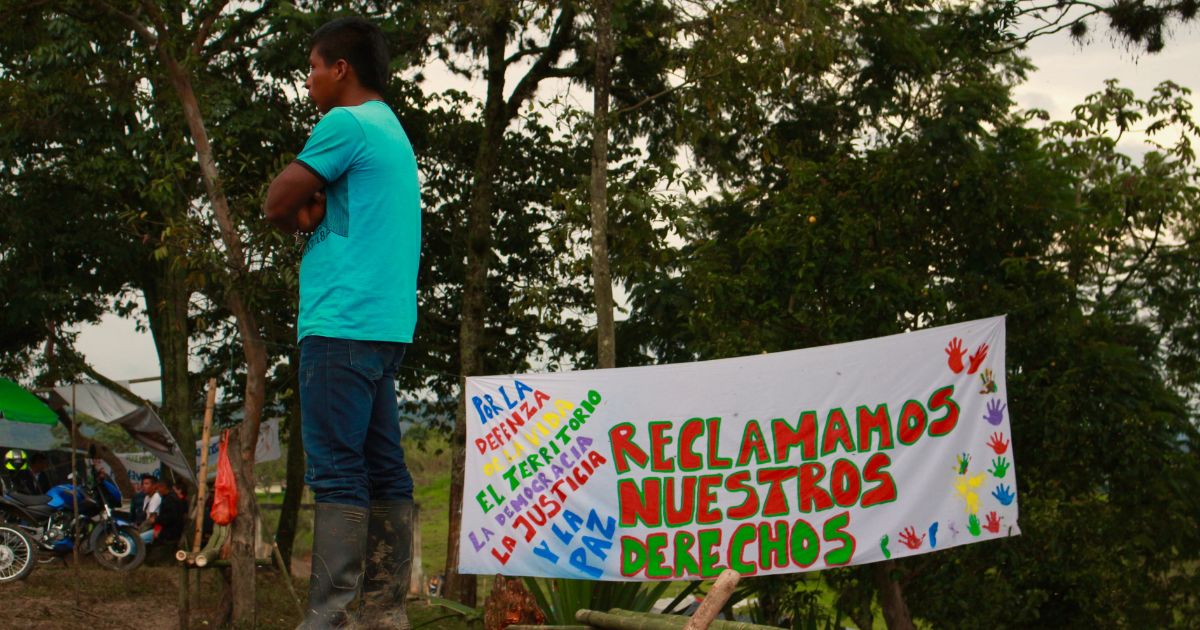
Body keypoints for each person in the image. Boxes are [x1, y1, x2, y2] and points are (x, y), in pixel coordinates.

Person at [264, 16, 419, 629]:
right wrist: (312, 207)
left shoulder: (345, 123)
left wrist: (299, 205)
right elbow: (304, 207)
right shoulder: (391, 130)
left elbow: (276, 201)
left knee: (336, 470)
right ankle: (384, 615)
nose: (308, 82)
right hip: (384, 326)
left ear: (340, 70)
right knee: (384, 467)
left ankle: (328, 619)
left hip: (340, 320)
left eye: (312, 68)